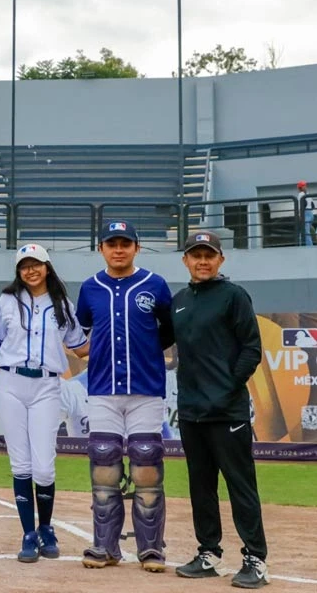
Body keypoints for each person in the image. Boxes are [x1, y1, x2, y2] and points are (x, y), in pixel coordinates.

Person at [171, 231, 269, 588]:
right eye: (196, 255)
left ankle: (255, 560)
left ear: (220, 260)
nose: (202, 261)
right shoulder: (179, 301)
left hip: (227, 412)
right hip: (192, 411)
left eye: (209, 255)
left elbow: (251, 349)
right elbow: (156, 339)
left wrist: (227, 388)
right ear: (186, 260)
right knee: (201, 487)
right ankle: (208, 553)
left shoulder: (234, 296)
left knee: (240, 486)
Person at [75, 220, 174, 573]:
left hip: (146, 390)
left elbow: (167, 331)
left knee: (147, 466)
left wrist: (146, 353)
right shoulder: (90, 289)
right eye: (112, 244)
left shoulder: (156, 286)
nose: (119, 250)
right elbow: (83, 329)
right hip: (102, 389)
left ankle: (151, 549)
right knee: (104, 468)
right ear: (101, 248)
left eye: (126, 244)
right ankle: (105, 546)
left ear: (137, 247)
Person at [0, 243, 88, 563]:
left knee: (44, 466)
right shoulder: (7, 300)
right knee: (21, 463)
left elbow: (79, 346)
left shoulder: (62, 302)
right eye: (24, 265)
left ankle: (46, 527)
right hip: (12, 382)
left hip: (47, 384)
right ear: (18, 271)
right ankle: (28, 534)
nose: (30, 270)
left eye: (36, 264)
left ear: (47, 267)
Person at [297, 181, 315, 246]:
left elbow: (301, 205)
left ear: (299, 188)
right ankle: (302, 244)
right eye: (304, 185)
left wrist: (300, 215)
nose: (305, 187)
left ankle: (309, 246)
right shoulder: (308, 194)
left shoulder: (300, 194)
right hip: (311, 214)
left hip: (305, 214)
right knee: (305, 231)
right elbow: (313, 206)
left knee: (305, 231)